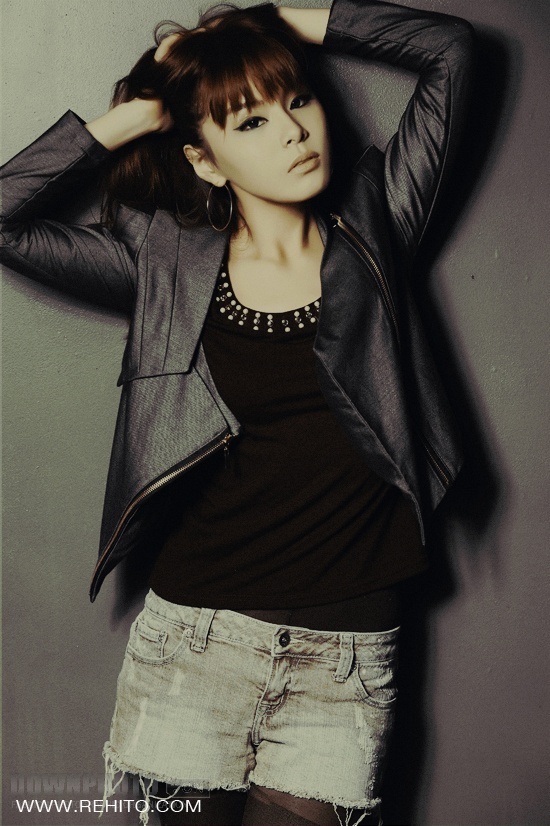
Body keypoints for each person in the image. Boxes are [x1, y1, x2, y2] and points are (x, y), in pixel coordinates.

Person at [0, 0, 475, 823]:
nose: (293, 132)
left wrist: (270, 20)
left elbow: (451, 50)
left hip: (344, 657)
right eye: (250, 122)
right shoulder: (165, 266)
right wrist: (130, 120)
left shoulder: (380, 223)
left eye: (298, 100)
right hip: (195, 643)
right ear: (205, 160)